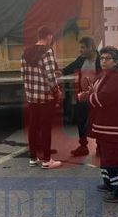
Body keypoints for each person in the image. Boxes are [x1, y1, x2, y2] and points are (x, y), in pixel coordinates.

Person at [78, 46, 118, 203]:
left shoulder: (117, 78)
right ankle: (109, 183)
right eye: (102, 58)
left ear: (115, 61)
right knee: (106, 156)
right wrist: (88, 94)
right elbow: (96, 92)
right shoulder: (105, 75)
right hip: (103, 125)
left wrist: (86, 98)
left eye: (108, 58)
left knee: (112, 157)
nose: (103, 61)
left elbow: (104, 98)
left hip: (113, 125)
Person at [22, 26, 62, 169]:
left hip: (32, 96)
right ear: (49, 36)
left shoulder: (26, 52)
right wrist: (57, 91)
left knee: (33, 126)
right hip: (46, 97)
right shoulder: (47, 52)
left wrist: (29, 93)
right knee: (45, 127)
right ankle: (46, 159)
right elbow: (50, 76)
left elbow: (23, 75)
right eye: (52, 37)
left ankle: (33, 158)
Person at [61, 37, 101, 156]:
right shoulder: (81, 59)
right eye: (81, 47)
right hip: (83, 96)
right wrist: (60, 72)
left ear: (91, 48)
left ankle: (100, 146)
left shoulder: (100, 60)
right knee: (81, 121)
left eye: (83, 47)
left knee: (97, 122)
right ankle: (83, 146)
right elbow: (70, 68)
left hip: (96, 98)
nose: (80, 50)